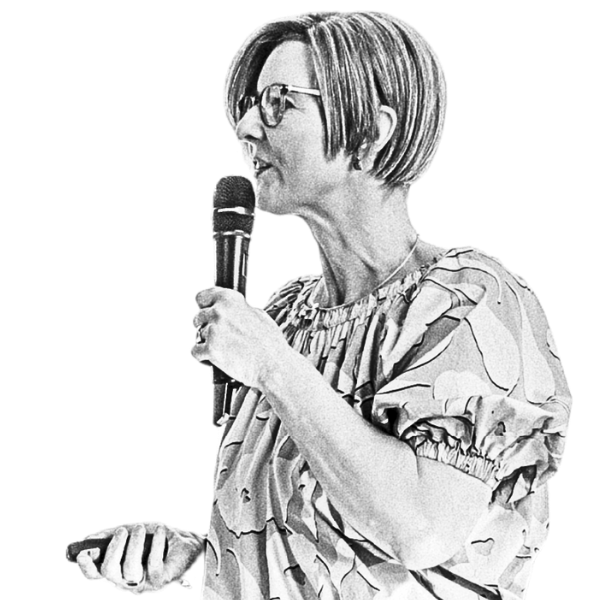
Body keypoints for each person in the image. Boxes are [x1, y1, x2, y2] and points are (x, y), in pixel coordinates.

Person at [192, 10, 572, 600]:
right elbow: (320, 550)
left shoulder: (469, 301)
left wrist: (272, 365)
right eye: (247, 104)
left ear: (372, 132)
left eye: (278, 102)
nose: (245, 126)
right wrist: (204, 559)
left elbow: (421, 530)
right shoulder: (284, 315)